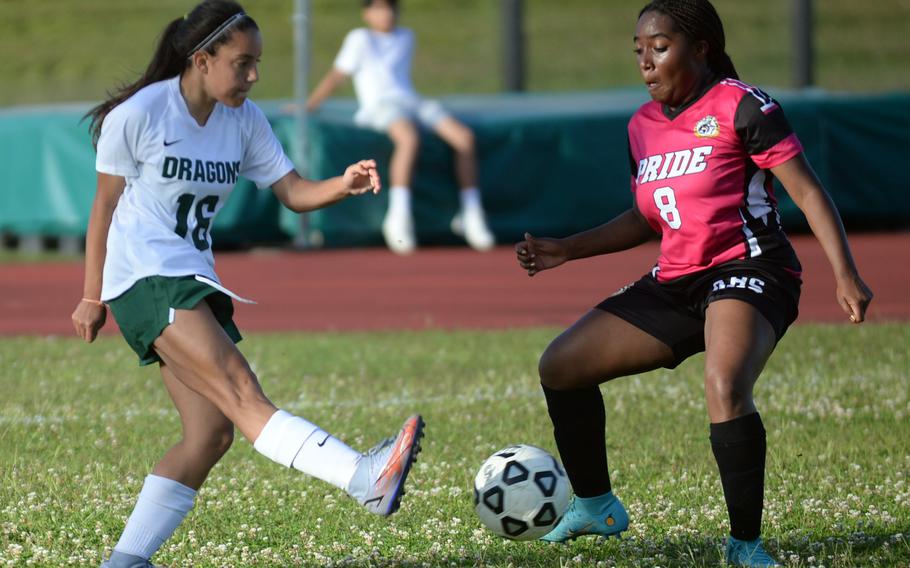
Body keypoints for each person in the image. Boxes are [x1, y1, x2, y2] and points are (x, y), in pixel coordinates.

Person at [514, 1, 872, 566]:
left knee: (724, 384)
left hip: (750, 269)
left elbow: (806, 191)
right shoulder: (642, 125)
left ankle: (745, 545)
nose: (647, 62)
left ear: (699, 48)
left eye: (660, 47)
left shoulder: (742, 106)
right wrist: (568, 249)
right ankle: (595, 504)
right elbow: (645, 217)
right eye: (638, 51)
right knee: (560, 365)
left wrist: (845, 272)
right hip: (676, 280)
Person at [72, 3, 424, 567]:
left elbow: (292, 191)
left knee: (210, 434)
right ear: (202, 58)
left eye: (256, 63)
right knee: (242, 393)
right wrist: (91, 297)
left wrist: (344, 184)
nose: (253, 76)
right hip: (144, 276)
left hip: (191, 275)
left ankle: (125, 561)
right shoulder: (142, 113)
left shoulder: (244, 119)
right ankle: (361, 475)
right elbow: (103, 209)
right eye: (243, 63)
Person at [306, 0, 496, 255]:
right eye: (380, 8)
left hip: (412, 102)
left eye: (392, 8)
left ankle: (471, 214)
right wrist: (309, 105)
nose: (387, 14)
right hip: (378, 106)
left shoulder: (407, 36)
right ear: (367, 13)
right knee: (409, 138)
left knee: (464, 137)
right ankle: (399, 216)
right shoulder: (359, 38)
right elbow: (338, 75)